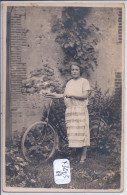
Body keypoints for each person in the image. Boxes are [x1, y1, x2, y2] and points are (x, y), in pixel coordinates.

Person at [44, 62, 90, 163]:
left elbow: (85, 96)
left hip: (80, 109)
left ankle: (83, 155)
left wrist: (72, 95)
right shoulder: (69, 83)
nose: (74, 71)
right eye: (72, 70)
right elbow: (64, 95)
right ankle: (75, 153)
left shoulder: (84, 81)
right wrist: (52, 95)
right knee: (73, 133)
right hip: (70, 111)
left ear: (80, 71)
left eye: (76, 69)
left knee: (82, 132)